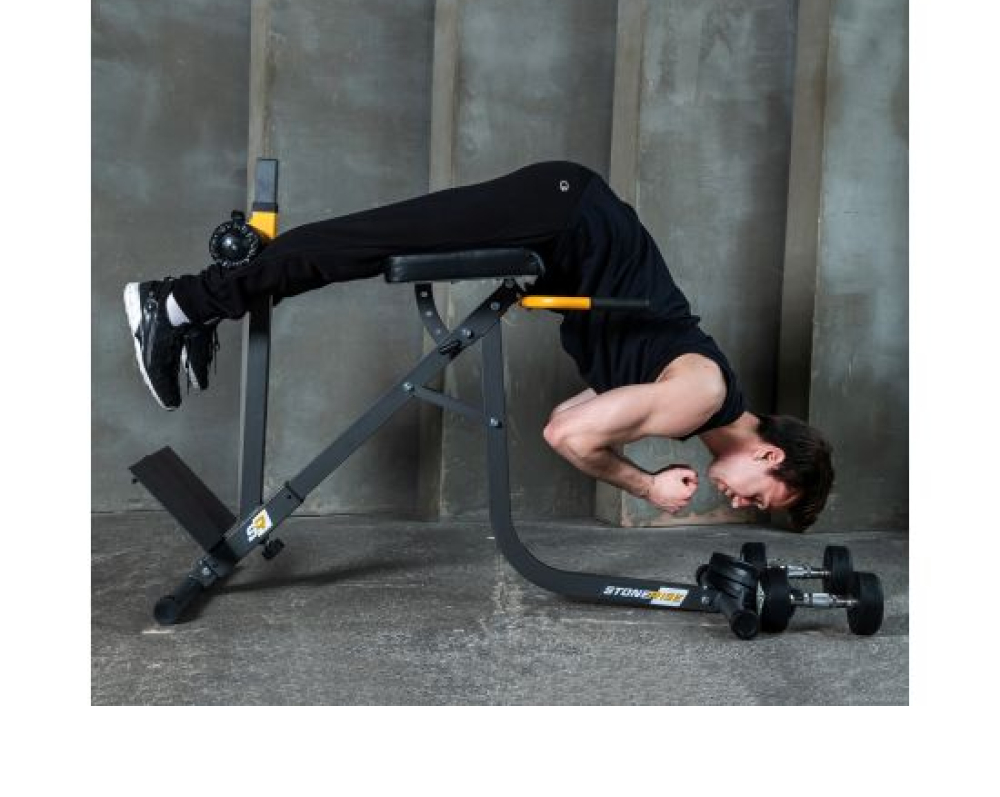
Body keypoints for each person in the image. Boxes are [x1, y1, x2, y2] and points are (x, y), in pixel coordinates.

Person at [124, 160, 833, 530]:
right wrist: (646, 486)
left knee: (367, 246)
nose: (746, 505)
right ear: (770, 456)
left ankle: (198, 311)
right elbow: (568, 436)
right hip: (564, 216)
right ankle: (179, 303)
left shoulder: (698, 398)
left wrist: (644, 472)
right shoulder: (699, 397)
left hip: (566, 222)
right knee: (369, 240)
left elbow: (570, 418)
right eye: (764, 500)